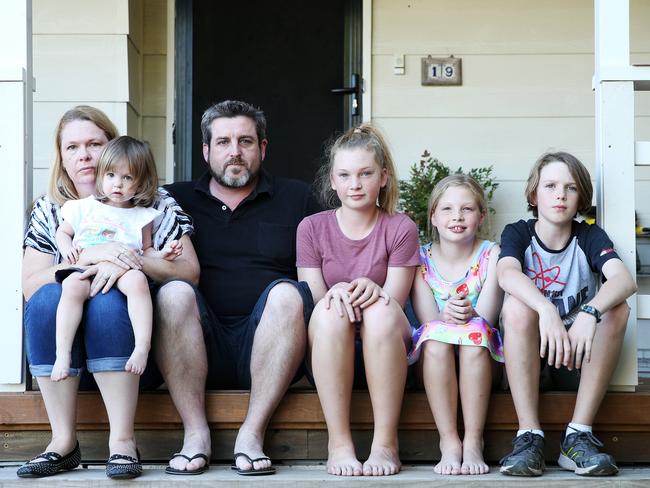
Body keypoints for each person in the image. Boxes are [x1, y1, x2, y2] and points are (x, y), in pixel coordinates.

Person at [19, 106, 198, 479]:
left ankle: (123, 442)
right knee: (47, 297)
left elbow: (189, 272)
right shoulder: (52, 210)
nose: (83, 155)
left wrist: (131, 261)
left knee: (108, 300)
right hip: (63, 361)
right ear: (62, 158)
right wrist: (90, 255)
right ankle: (62, 442)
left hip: (133, 358)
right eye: (72, 147)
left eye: (94, 144)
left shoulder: (154, 204)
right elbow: (31, 284)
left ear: (114, 147)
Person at [158, 100, 320, 476]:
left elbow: (325, 265)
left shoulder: (297, 198)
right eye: (223, 142)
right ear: (205, 150)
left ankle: (251, 434)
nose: (235, 151)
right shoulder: (172, 200)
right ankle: (195, 435)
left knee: (286, 293)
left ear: (262, 148)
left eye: (246, 141)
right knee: (173, 292)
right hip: (195, 345)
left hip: (272, 348)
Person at [497, 152, 636, 477]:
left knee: (616, 307)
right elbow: (506, 274)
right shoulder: (518, 233)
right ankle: (528, 436)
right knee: (517, 304)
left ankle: (578, 435)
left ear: (581, 197)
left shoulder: (588, 236)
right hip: (529, 358)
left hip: (578, 357)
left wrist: (589, 312)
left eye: (570, 187)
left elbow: (623, 280)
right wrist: (545, 308)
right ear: (534, 195)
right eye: (550, 186)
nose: (560, 194)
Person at [297, 124, 420, 477]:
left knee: (380, 313)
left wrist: (373, 287)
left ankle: (385, 443)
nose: (355, 184)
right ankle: (339, 443)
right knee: (331, 310)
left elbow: (395, 300)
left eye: (366, 174)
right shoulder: (311, 228)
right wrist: (334, 293)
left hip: (385, 341)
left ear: (383, 177)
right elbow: (314, 299)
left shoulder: (400, 227)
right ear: (332, 181)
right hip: (330, 341)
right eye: (345, 175)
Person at [51, 136, 183, 382]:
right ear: (101, 175)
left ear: (141, 182)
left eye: (127, 177)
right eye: (111, 175)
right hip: (87, 265)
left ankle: (142, 347)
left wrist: (164, 255)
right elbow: (63, 231)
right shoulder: (85, 207)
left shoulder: (142, 216)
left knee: (138, 283)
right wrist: (66, 245)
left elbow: (147, 250)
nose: (117, 184)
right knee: (71, 286)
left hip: (123, 269)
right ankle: (63, 354)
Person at [408, 174, 504, 475]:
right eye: (447, 209)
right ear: (433, 217)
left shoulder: (492, 255)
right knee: (435, 338)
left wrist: (468, 310)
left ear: (481, 216)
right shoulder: (420, 260)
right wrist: (445, 315)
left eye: (467, 209)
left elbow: (487, 318)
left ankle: (474, 440)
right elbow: (427, 321)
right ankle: (449, 441)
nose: (457, 217)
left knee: (476, 335)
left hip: (483, 357)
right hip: (437, 357)